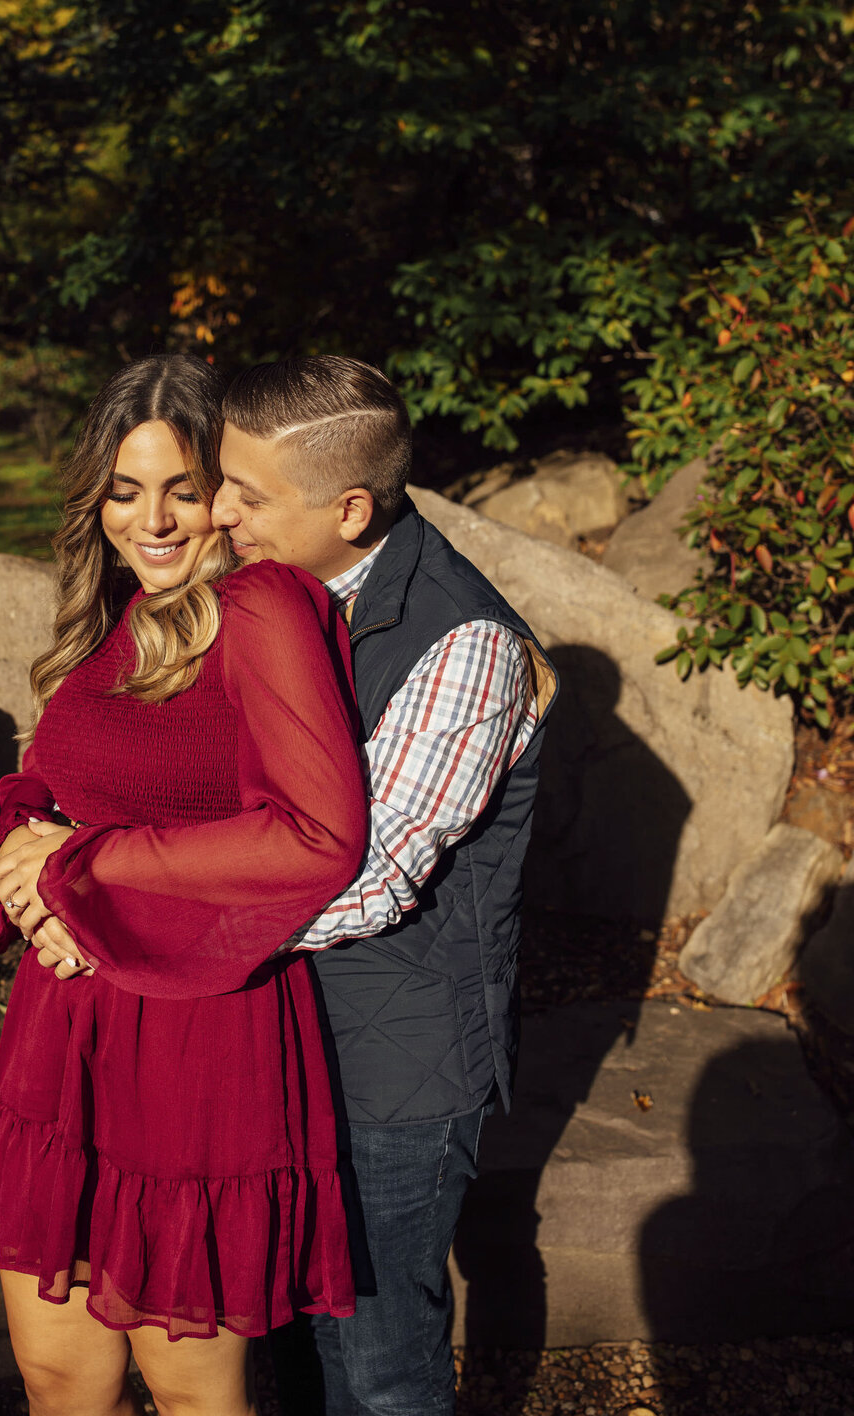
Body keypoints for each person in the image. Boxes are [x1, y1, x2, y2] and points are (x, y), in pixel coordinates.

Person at [31, 355, 558, 1414]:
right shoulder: (260, 591)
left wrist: (99, 901)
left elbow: (364, 878)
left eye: (243, 494)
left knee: (372, 1361)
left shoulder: (464, 647)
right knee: (268, 1350)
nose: (216, 512)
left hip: (389, 1062)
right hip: (256, 1031)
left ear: (349, 506)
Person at [0, 353, 369, 1416]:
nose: (156, 522)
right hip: (65, 1029)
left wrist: (81, 870)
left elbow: (316, 834)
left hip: (193, 1040)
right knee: (58, 1378)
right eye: (127, 492)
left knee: (188, 1391)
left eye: (184, 489)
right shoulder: (111, 617)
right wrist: (21, 856)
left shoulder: (264, 607)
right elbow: (52, 785)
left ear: (224, 496)